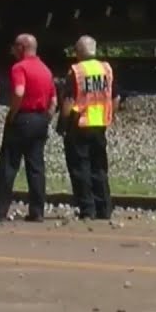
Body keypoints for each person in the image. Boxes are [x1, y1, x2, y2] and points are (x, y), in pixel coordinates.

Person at [0, 34, 55, 222]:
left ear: (22, 47)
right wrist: (46, 117)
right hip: (40, 119)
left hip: (23, 118)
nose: (12, 50)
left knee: (9, 164)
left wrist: (13, 113)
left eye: (14, 46)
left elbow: (19, 91)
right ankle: (37, 210)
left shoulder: (19, 68)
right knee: (36, 166)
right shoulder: (46, 70)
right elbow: (53, 101)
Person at [61, 35, 115, 221]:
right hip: (100, 123)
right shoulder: (106, 68)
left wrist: (62, 124)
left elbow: (68, 101)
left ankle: (87, 209)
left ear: (79, 52)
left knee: (80, 168)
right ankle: (104, 208)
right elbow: (114, 96)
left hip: (80, 123)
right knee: (99, 167)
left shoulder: (76, 71)